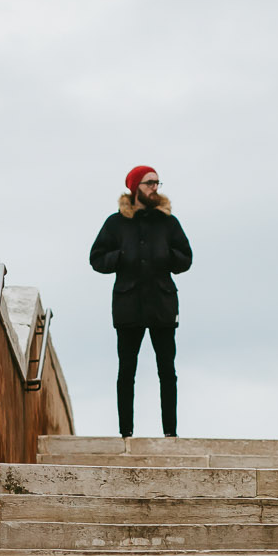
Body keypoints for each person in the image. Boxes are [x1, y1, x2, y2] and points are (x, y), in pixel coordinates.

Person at [89, 165, 192, 437]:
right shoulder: (116, 223)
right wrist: (120, 256)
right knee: (127, 371)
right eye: (149, 183)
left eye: (157, 183)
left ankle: (170, 433)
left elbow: (186, 259)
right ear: (135, 187)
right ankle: (126, 433)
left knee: (167, 371)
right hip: (128, 304)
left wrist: (167, 255)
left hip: (163, 303)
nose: (154, 188)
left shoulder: (169, 222)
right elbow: (96, 259)